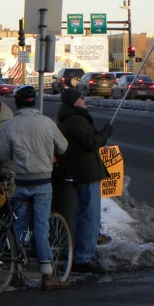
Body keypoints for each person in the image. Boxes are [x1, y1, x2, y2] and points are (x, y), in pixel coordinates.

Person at [0, 84, 70, 290]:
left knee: (20, 225)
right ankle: (47, 274)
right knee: (41, 225)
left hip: (22, 181)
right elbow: (63, 147)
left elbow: (2, 155)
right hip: (43, 182)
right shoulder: (47, 123)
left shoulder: (11, 125)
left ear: (17, 104)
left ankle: (16, 270)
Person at [57, 88, 113, 273]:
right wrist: (105, 133)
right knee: (90, 215)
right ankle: (83, 257)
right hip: (86, 171)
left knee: (82, 213)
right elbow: (90, 142)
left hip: (80, 170)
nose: (84, 99)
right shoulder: (75, 120)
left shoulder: (72, 117)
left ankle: (80, 251)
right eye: (81, 97)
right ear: (74, 102)